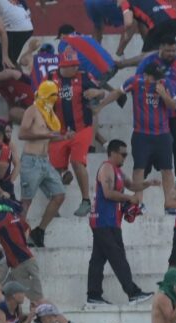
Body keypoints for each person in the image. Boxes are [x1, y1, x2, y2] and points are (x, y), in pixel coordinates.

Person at [87, 139, 158, 305]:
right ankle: (132, 292)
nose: (125, 158)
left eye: (127, 154)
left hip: (112, 222)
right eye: (123, 154)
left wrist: (148, 183)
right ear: (112, 153)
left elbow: (132, 185)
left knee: (98, 259)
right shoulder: (106, 168)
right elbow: (108, 193)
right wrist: (129, 198)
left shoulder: (118, 171)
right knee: (117, 257)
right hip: (103, 220)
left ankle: (93, 295)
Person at [97, 62, 176, 208]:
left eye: (160, 78)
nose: (158, 81)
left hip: (163, 134)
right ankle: (138, 202)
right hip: (142, 134)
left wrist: (164, 95)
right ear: (146, 76)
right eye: (155, 78)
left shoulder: (166, 84)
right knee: (139, 168)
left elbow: (173, 106)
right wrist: (101, 105)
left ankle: (169, 203)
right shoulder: (135, 82)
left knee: (167, 169)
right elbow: (118, 92)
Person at [48, 48, 104, 217]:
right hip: (59, 131)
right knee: (55, 168)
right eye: (73, 65)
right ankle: (54, 204)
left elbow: (101, 92)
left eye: (76, 65)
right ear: (64, 66)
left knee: (77, 162)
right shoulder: (51, 78)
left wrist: (97, 92)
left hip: (81, 129)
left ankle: (86, 200)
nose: (76, 69)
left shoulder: (84, 76)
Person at [17, 80, 67, 247]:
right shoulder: (32, 110)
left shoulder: (50, 113)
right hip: (31, 160)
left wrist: (64, 137)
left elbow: (48, 138)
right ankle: (18, 238)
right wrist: (47, 135)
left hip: (45, 161)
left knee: (59, 195)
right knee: (26, 201)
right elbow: (22, 134)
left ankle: (39, 231)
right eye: (52, 95)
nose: (55, 99)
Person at [138, 36, 176, 176]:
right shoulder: (148, 61)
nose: (171, 53)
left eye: (174, 50)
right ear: (160, 48)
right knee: (152, 144)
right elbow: (138, 80)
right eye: (168, 50)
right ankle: (144, 174)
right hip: (155, 112)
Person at [0, 0, 32, 65]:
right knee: (11, 60)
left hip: (15, 28)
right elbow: (29, 14)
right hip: (27, 26)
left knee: (7, 61)